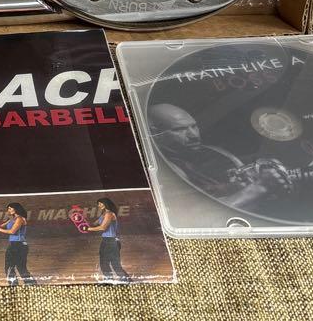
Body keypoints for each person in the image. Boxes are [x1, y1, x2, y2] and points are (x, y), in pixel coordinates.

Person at [148, 102, 292, 207]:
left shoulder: (211, 150)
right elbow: (199, 214)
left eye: (194, 126)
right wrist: (260, 187)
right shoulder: (160, 171)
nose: (193, 135)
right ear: (155, 133)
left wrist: (233, 186)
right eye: (179, 129)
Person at [80, 197, 130, 282]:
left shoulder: (109, 214)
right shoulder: (104, 214)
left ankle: (125, 281)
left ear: (106, 203)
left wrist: (88, 229)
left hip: (112, 241)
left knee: (115, 265)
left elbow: (103, 227)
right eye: (98, 204)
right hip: (106, 241)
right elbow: (94, 224)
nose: (99, 205)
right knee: (104, 263)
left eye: (100, 203)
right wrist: (81, 221)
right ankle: (110, 280)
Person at [0, 202, 38, 286]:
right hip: (16, 245)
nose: (8, 210)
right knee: (17, 267)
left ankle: (18, 286)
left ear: (16, 209)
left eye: (10, 208)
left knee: (14, 267)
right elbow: (0, 226)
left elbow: (12, 231)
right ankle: (29, 285)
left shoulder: (20, 219)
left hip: (18, 245)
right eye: (8, 209)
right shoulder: (12, 219)